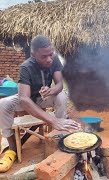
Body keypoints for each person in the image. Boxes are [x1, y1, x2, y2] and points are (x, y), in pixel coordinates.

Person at [0, 35, 80, 172]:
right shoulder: (26, 67)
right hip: (28, 100)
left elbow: (60, 83)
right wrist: (51, 119)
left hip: (43, 98)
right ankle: (12, 148)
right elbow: (24, 99)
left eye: (51, 54)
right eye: (44, 56)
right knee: (3, 103)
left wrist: (52, 90)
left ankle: (59, 135)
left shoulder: (54, 60)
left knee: (61, 95)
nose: (49, 59)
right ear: (33, 55)